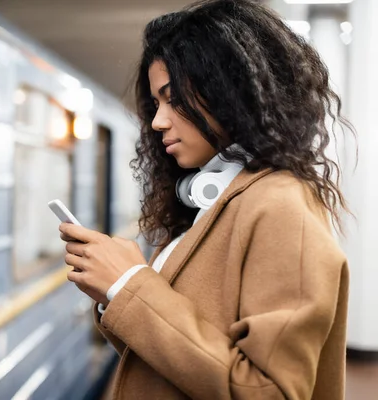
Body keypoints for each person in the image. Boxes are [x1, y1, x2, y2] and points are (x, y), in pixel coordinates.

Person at [59, 0, 354, 398]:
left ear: (229, 92)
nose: (158, 121)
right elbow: (176, 366)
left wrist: (130, 287)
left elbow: (268, 390)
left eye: (173, 98)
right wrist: (115, 294)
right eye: (156, 103)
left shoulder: (281, 207)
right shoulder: (214, 203)